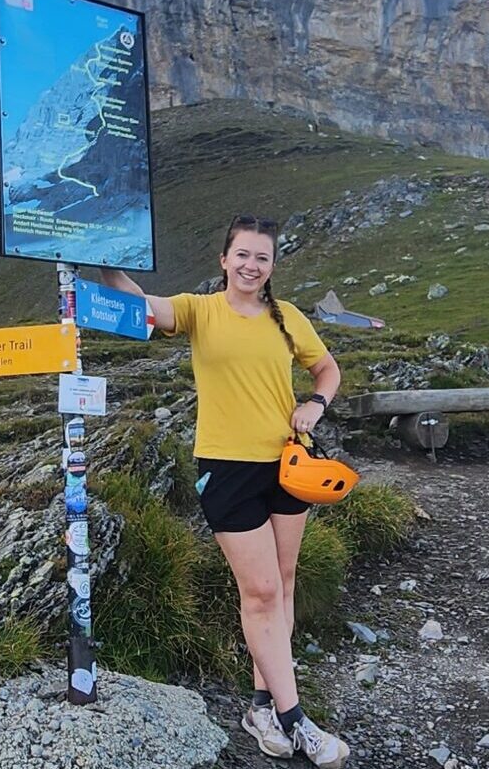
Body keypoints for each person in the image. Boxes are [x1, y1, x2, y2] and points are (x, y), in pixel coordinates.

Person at [101, 214, 349, 768]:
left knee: (281, 586)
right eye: (242, 255)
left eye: (261, 257)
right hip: (227, 470)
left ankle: (261, 707)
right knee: (261, 591)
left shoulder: (287, 318)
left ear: (272, 266)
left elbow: (326, 368)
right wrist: (103, 259)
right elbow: (142, 305)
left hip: (288, 466)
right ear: (224, 260)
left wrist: (315, 403)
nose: (251, 265)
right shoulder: (199, 310)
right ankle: (295, 718)